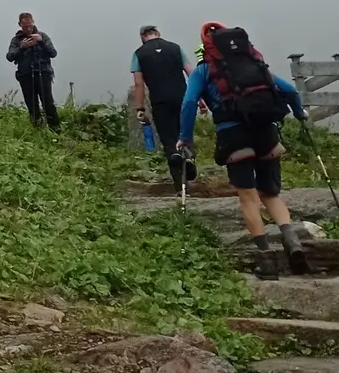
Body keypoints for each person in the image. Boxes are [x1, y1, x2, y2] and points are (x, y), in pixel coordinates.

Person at [179, 22, 309, 267]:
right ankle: (293, 243)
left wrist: (185, 138)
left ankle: (266, 260)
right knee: (270, 194)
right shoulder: (255, 65)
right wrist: (300, 113)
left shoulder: (204, 71)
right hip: (265, 133)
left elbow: (188, 104)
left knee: (249, 198)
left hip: (233, 136)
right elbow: (290, 90)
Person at [131, 25, 195, 184]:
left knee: (168, 138)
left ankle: (179, 182)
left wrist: (140, 108)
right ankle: (189, 158)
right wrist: (199, 98)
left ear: (142, 37)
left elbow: (139, 84)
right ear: (158, 34)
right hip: (183, 98)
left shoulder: (139, 54)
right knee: (184, 132)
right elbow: (190, 73)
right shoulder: (175, 48)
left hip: (160, 101)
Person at [6, 13, 59, 128]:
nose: (28, 29)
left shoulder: (42, 36)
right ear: (20, 25)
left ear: (33, 23)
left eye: (30, 26)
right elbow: (9, 57)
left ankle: (56, 129)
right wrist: (21, 47)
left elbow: (53, 53)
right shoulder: (16, 40)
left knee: (48, 103)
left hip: (42, 72)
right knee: (32, 105)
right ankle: (37, 129)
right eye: (25, 27)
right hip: (25, 75)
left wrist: (41, 42)